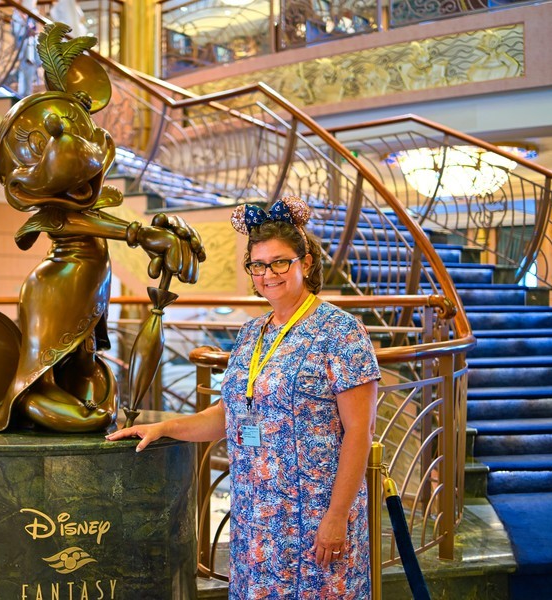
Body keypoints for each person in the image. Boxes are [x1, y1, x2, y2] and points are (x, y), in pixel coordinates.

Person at [107, 197, 381, 599]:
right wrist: (165, 427)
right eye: (258, 265)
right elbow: (229, 415)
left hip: (316, 515)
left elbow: (361, 431)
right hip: (256, 518)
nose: (268, 274)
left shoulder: (341, 331)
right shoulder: (252, 333)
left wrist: (337, 516)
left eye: (280, 262)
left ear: (305, 262)